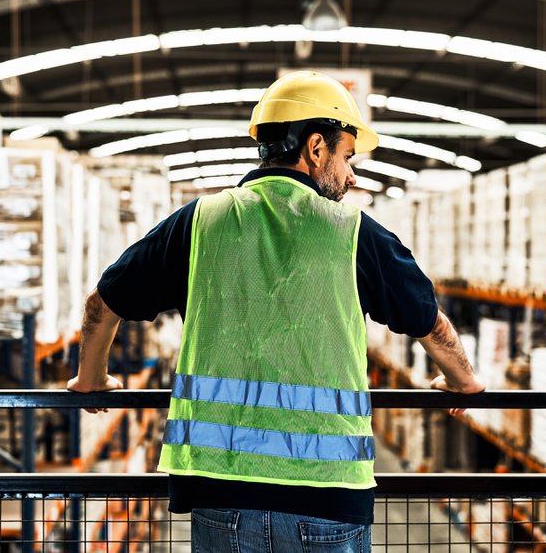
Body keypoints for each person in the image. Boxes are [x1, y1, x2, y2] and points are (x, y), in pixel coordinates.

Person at [68, 70, 485, 552]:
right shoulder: (356, 234)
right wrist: (463, 382)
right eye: (347, 157)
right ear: (315, 148)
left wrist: (91, 378)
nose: (351, 176)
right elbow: (429, 321)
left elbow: (104, 302)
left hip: (218, 490)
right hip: (327, 493)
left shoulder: (199, 223)